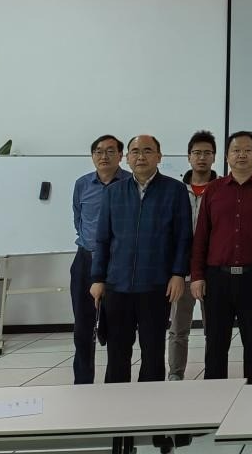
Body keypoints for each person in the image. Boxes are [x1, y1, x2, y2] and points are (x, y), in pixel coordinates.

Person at [89, 134, 191, 383]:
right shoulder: (113, 192)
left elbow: (183, 237)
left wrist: (178, 273)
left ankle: (151, 402)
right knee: (117, 352)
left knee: (153, 351)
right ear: (127, 158)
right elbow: (102, 239)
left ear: (159, 156)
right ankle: (116, 401)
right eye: (135, 151)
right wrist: (98, 278)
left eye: (147, 150)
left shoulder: (175, 190)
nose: (141, 156)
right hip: (117, 285)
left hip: (155, 285)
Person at [191, 131, 252, 384]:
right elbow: (201, 236)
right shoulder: (213, 190)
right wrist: (197, 275)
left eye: (247, 150)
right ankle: (215, 396)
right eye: (236, 150)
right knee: (216, 344)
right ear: (227, 156)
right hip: (217, 279)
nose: (241, 155)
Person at [70, 135, 129, 384]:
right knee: (83, 327)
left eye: (110, 151)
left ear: (121, 155)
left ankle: (114, 384)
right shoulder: (82, 184)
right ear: (92, 156)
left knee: (117, 327)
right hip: (86, 259)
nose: (103, 156)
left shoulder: (130, 183)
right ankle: (83, 382)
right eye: (98, 151)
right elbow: (78, 219)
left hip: (118, 263)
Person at [167, 130, 217, 381]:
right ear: (188, 157)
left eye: (207, 153)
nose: (202, 158)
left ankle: (213, 374)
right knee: (178, 328)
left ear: (214, 157)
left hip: (213, 270)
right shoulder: (175, 190)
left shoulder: (221, 189)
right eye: (197, 153)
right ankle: (175, 374)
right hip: (181, 269)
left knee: (214, 329)